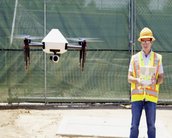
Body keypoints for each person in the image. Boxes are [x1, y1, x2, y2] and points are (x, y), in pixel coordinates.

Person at [128, 27, 164, 138]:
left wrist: (156, 81)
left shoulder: (158, 58)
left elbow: (161, 77)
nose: (145, 43)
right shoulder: (134, 58)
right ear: (140, 42)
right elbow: (129, 77)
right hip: (137, 97)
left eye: (147, 40)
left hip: (151, 98)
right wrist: (137, 80)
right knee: (134, 126)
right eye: (143, 41)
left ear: (151, 41)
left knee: (151, 126)